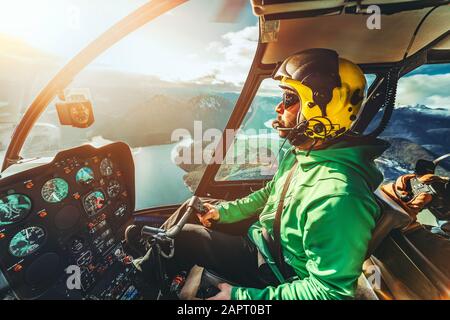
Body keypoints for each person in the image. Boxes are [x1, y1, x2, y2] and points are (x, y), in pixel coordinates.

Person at [134, 48, 390, 300]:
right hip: (265, 239)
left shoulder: (339, 196)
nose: (278, 107)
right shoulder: (305, 154)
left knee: (184, 238)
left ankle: (134, 285)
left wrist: (239, 295)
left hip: (276, 270)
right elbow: (271, 194)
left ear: (322, 110)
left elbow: (330, 293)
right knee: (189, 210)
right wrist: (222, 213)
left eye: (289, 99)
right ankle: (143, 255)